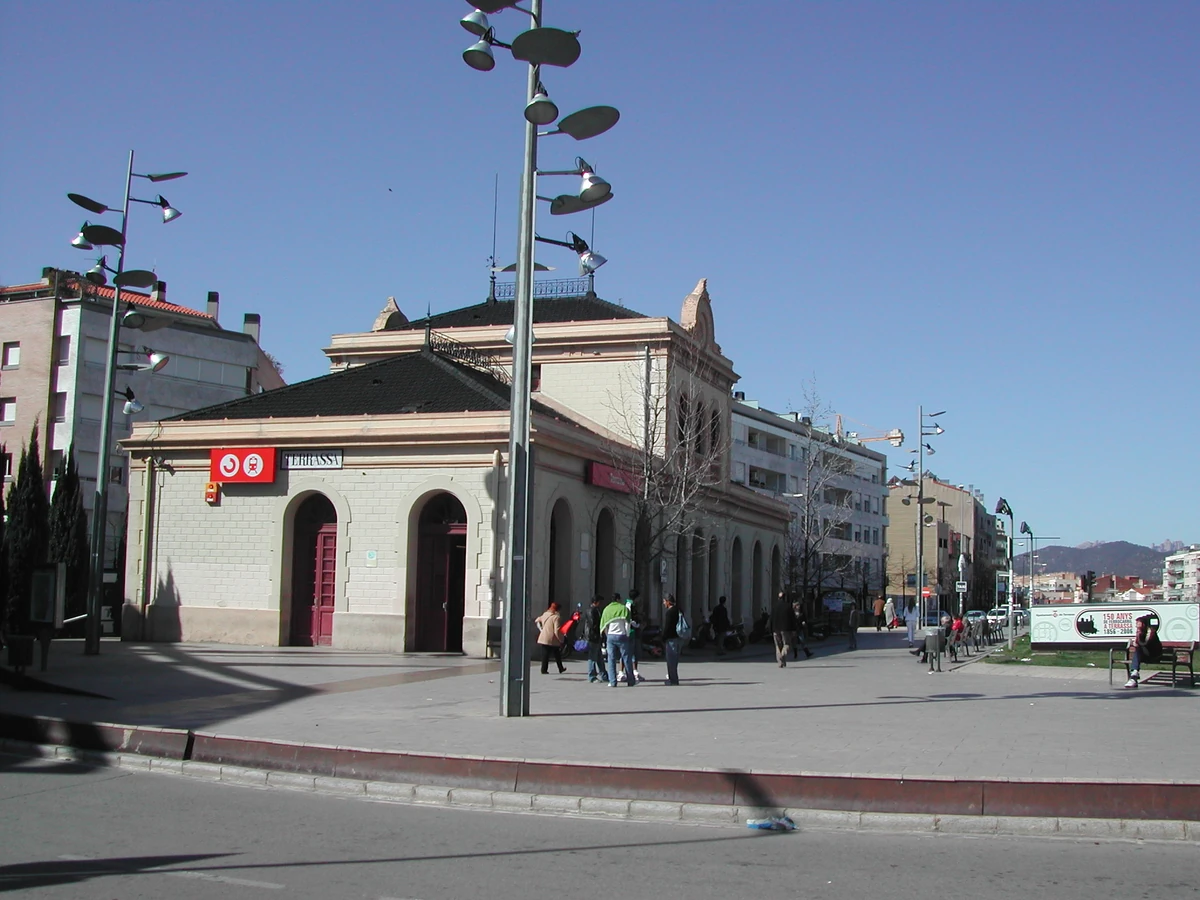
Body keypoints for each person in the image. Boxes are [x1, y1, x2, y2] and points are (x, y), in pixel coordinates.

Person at [600, 594, 635, 687]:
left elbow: (604, 625)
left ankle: (612, 682)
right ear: (618, 599)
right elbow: (627, 623)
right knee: (626, 658)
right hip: (622, 636)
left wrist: (608, 635)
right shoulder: (624, 609)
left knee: (611, 659)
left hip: (611, 636)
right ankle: (630, 681)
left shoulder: (607, 609)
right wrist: (627, 634)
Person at [1124, 614, 1163, 689]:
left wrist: (1137, 640)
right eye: (1136, 624)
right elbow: (1138, 643)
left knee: (1138, 650)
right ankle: (1134, 677)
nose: (1137, 626)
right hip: (1144, 655)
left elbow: (1145, 643)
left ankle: (1134, 673)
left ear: (1144, 624)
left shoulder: (1151, 632)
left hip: (1154, 655)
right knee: (1138, 651)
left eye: (1138, 624)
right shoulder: (1140, 632)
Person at [534, 601, 566, 674]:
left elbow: (537, 620)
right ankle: (559, 668)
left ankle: (544, 669)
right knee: (556, 654)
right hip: (552, 639)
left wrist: (541, 628)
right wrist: (561, 639)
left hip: (543, 637)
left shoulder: (545, 614)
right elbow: (557, 630)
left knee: (546, 654)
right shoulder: (556, 617)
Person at [585, 595, 608, 683]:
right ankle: (592, 676)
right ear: (596, 602)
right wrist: (600, 629)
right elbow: (593, 624)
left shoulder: (596, 610)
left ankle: (604, 675)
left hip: (597, 636)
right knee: (592, 657)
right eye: (600, 602)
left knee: (599, 657)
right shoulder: (591, 610)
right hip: (593, 636)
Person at [771, 591, 798, 667]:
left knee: (778, 646)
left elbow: (771, 619)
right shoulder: (788, 606)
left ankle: (781, 662)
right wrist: (794, 629)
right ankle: (782, 655)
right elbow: (793, 619)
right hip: (786, 629)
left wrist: (771, 629)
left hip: (775, 629)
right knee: (787, 644)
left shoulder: (774, 606)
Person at [625, 590, 645, 682]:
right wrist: (637, 624)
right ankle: (634, 671)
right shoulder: (633, 606)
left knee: (626, 653)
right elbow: (630, 619)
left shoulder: (627, 604)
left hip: (627, 631)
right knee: (633, 652)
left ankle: (624, 672)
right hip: (632, 631)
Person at [662, 594, 682, 685]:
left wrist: (663, 637)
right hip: (678, 637)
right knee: (675, 660)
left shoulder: (670, 612)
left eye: (664, 601)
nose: (663, 603)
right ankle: (674, 679)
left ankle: (673, 680)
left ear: (668, 601)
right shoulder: (678, 610)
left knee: (671, 661)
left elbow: (668, 627)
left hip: (671, 638)